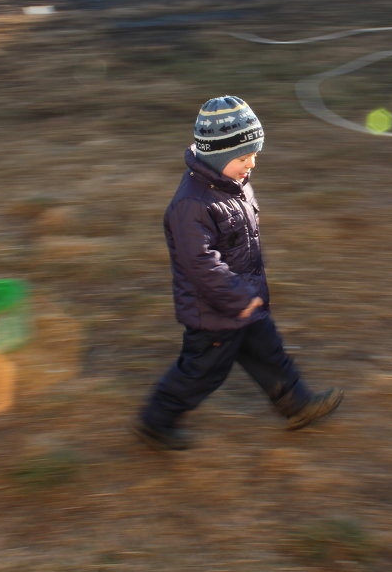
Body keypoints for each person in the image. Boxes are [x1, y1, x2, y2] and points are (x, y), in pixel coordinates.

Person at [134, 95, 343, 451]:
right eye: (244, 157)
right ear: (216, 157)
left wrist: (248, 295)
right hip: (214, 312)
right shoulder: (191, 205)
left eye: (255, 155)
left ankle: (297, 405)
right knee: (201, 371)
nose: (252, 164)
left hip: (245, 299)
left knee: (269, 352)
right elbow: (200, 264)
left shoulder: (232, 183)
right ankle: (157, 421)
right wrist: (239, 297)